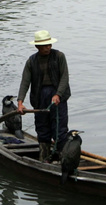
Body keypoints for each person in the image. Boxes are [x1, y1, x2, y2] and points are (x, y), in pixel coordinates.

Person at [17, 29, 71, 161]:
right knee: (42, 128)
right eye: (45, 45)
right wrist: (20, 102)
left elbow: (64, 77)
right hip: (40, 97)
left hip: (58, 96)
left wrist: (58, 94)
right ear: (37, 46)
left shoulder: (59, 56)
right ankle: (44, 157)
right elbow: (25, 82)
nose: (48, 47)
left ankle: (62, 159)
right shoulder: (31, 61)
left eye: (49, 45)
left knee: (59, 129)